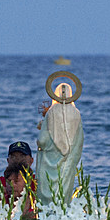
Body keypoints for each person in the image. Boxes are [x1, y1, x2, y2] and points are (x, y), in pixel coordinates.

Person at [36, 82, 83, 210]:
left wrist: (42, 128)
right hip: (67, 161)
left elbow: (42, 141)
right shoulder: (76, 113)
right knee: (63, 195)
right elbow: (80, 141)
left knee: (46, 199)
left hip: (48, 161)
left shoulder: (51, 113)